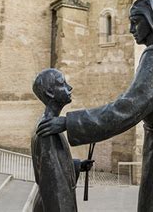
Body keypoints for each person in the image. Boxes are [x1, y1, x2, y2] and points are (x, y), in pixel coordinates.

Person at [37, 0, 153, 212]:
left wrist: (69, 122)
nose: (130, 29)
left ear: (152, 21)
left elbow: (127, 108)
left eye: (135, 21)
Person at [31, 69, 93, 212]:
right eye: (62, 84)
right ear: (50, 93)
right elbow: (54, 185)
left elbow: (55, 166)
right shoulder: (48, 130)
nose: (69, 87)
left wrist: (77, 166)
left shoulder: (51, 124)